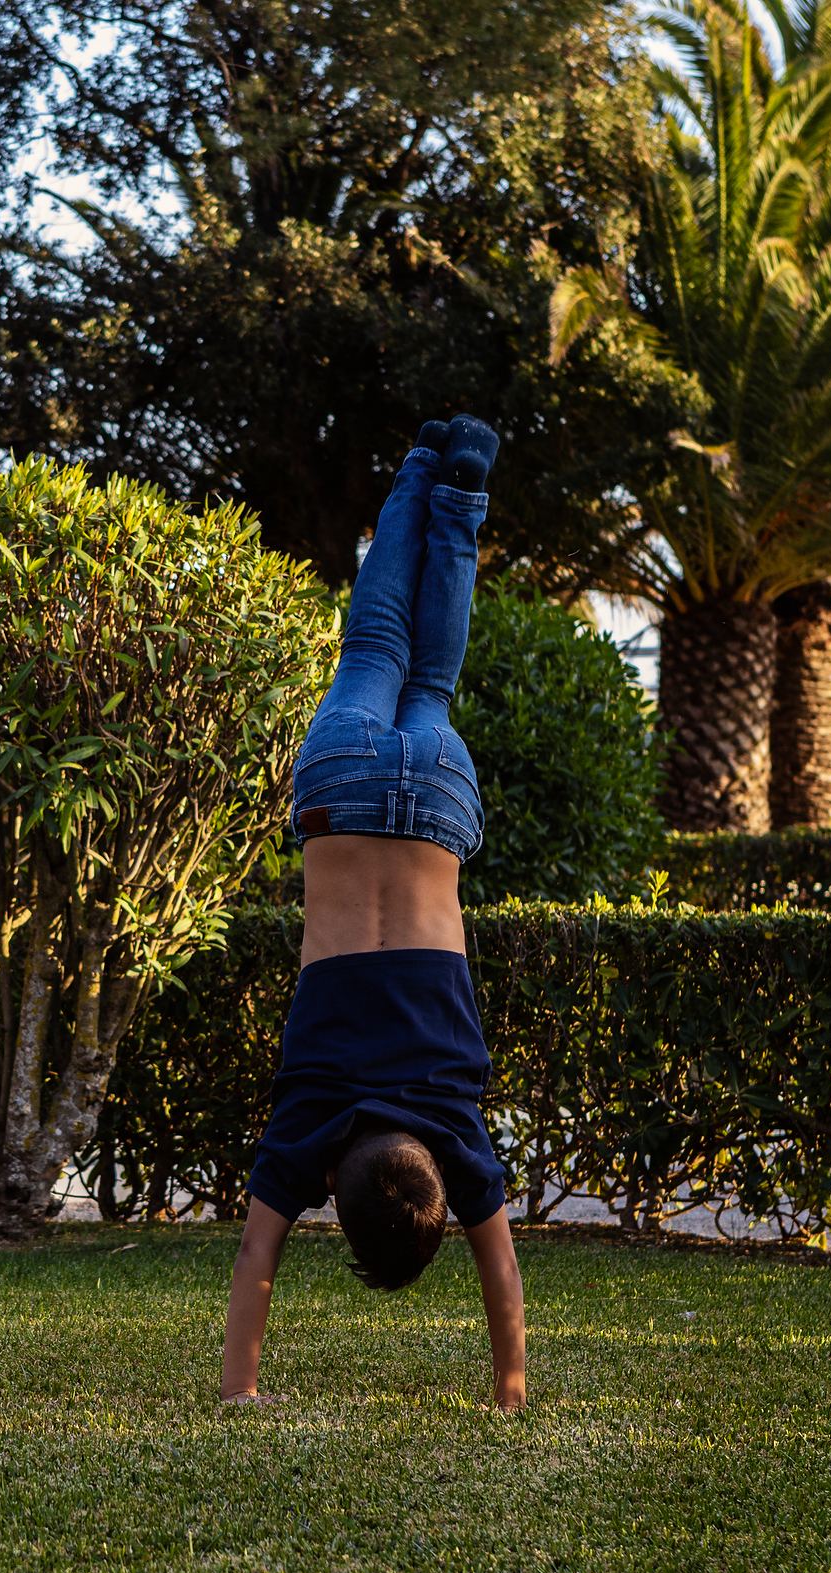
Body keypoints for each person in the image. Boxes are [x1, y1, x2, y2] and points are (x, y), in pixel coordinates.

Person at [218, 415, 528, 1410]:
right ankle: (417, 470)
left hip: (434, 803)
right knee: (373, 648)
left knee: (429, 676)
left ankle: (462, 495)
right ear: (332, 1199)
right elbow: (255, 1259)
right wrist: (239, 1388)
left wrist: (511, 1386)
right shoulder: (305, 1126)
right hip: (342, 791)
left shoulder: (455, 1125)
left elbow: (500, 1275)